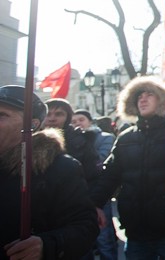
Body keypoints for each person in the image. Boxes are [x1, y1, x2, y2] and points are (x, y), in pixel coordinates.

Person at [90, 76, 165, 260]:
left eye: (149, 94)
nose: (143, 99)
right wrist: (95, 204)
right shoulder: (125, 138)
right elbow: (110, 175)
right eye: (139, 96)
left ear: (161, 100)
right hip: (136, 232)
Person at [1, 85, 99, 259]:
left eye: (2, 115)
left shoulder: (61, 168)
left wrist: (47, 245)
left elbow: (85, 226)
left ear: (31, 125)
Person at [72, 109, 118, 260]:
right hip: (78, 195)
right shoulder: (71, 140)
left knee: (104, 238)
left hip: (98, 192)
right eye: (74, 121)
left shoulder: (105, 138)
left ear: (90, 121)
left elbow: (101, 161)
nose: (78, 123)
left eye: (81, 120)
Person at [44, 98, 101, 187]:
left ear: (68, 118)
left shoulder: (82, 141)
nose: (52, 119)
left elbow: (93, 175)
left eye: (58, 114)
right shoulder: (32, 141)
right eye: (48, 114)